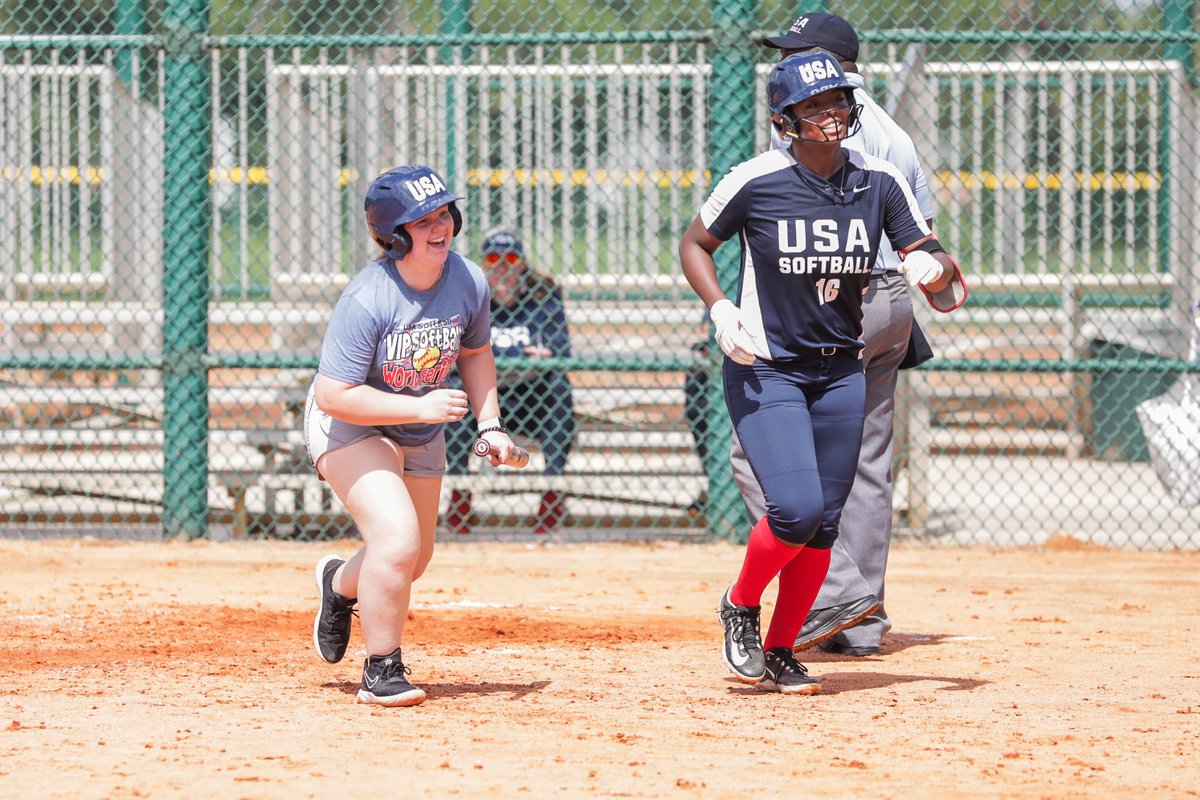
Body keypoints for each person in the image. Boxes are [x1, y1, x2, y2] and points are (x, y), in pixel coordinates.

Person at [678, 51, 961, 694]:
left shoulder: (878, 180)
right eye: (813, 106)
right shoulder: (755, 180)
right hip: (767, 367)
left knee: (826, 523)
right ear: (785, 120)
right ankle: (741, 603)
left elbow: (931, 252)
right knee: (796, 509)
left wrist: (931, 267)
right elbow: (695, 243)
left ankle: (781, 648)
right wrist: (721, 309)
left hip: (841, 368)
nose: (830, 114)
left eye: (836, 100)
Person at [305, 164, 519, 707]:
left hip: (418, 424)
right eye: (422, 219)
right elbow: (334, 394)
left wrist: (489, 424)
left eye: (443, 212)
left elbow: (475, 353)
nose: (439, 225)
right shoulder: (368, 298)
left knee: (413, 559)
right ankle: (382, 670)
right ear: (394, 234)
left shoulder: (467, 279)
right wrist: (419, 405)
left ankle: (338, 586)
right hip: (351, 422)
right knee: (396, 542)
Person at [443, 226, 577, 535]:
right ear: (484, 266)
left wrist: (544, 356)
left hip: (532, 397)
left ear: (523, 264)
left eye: (511, 259)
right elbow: (456, 358)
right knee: (456, 394)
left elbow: (562, 352)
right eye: (493, 259)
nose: (503, 268)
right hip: (483, 400)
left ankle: (552, 495)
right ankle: (460, 496)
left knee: (559, 389)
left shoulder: (543, 296)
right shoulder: (471, 298)